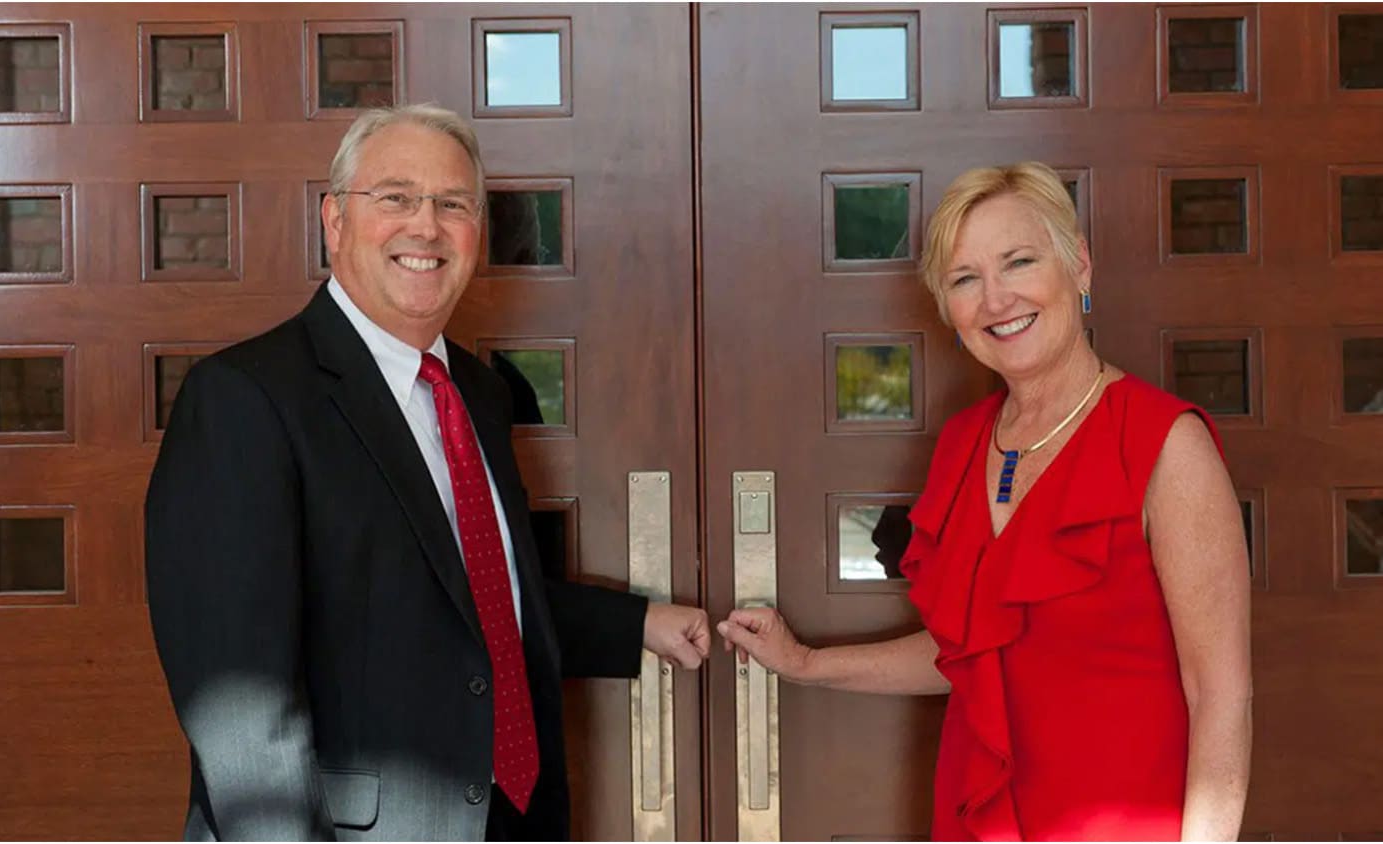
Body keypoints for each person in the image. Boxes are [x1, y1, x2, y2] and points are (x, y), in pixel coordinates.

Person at [144, 103, 711, 842]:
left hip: (510, 818)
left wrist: (639, 624)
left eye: (453, 204)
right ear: (335, 221)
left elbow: (470, 599)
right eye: (396, 198)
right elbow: (238, 705)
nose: (426, 226)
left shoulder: (475, 391)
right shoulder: (244, 399)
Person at [719, 162, 1252, 841]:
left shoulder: (1165, 444)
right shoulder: (967, 444)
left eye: (1018, 262)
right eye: (966, 279)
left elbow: (1222, 697)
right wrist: (808, 664)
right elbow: (974, 653)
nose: (996, 299)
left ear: (1078, 267)